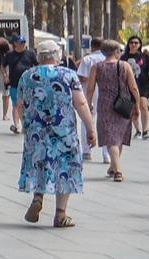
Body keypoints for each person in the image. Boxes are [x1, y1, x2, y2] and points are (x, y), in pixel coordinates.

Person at [17, 40, 96, 228]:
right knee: (65, 168)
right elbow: (81, 103)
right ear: (57, 55)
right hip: (63, 131)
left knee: (40, 163)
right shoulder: (68, 75)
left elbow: (20, 104)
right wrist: (90, 128)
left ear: (39, 56)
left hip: (36, 130)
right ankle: (60, 214)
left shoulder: (27, 76)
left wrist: (25, 124)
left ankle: (38, 197)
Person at [87, 40, 141, 181]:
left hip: (105, 105)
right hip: (123, 104)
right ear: (117, 51)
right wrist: (137, 104)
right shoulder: (125, 66)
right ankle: (118, 171)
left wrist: (88, 103)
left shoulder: (96, 67)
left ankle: (113, 166)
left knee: (112, 137)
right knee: (118, 137)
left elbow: (90, 88)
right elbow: (134, 87)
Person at [121, 36, 149, 139]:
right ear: (128, 44)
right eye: (131, 42)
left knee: (143, 105)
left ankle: (145, 130)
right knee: (133, 110)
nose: (133, 44)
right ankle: (137, 129)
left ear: (140, 44)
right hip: (128, 86)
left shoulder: (145, 57)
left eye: (136, 43)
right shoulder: (123, 58)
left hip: (143, 85)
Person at [77, 37, 106, 162]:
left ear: (92, 46)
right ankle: (106, 153)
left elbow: (83, 78)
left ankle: (86, 151)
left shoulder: (88, 59)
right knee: (105, 120)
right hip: (104, 91)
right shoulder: (107, 59)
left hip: (89, 91)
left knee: (86, 120)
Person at [5, 36, 38, 134]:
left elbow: (36, 65)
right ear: (15, 43)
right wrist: (5, 76)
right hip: (14, 82)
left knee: (27, 104)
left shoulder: (30, 54)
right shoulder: (10, 55)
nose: (22, 44)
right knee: (16, 104)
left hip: (28, 83)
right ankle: (17, 125)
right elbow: (3, 66)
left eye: (23, 42)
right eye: (20, 42)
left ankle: (26, 123)